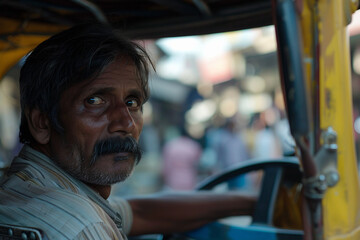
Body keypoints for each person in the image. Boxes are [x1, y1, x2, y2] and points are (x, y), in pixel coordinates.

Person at [0, 23, 256, 239]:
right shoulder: (86, 228)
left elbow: (138, 212)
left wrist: (253, 202)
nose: (126, 122)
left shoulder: (23, 187)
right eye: (95, 101)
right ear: (41, 123)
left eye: (132, 102)